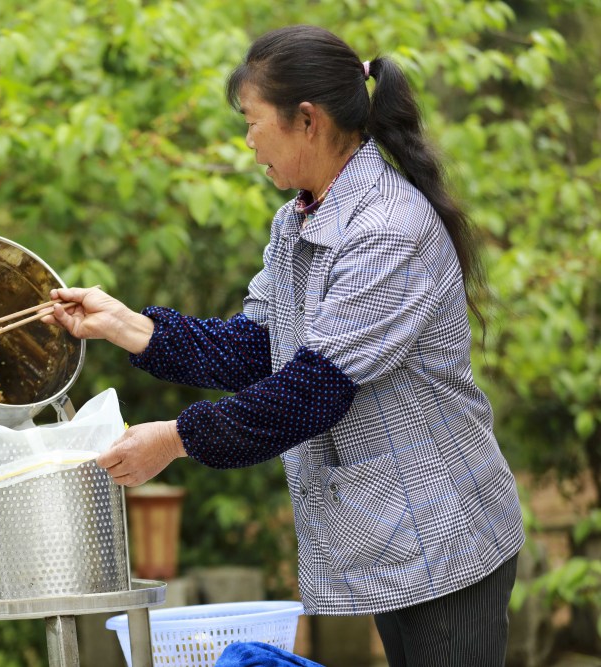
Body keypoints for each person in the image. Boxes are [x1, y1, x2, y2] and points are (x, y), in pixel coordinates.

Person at [47, 25, 524, 667]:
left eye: (252, 121)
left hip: (447, 532)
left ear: (307, 120)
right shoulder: (300, 218)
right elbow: (259, 348)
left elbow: (311, 391)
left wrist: (175, 439)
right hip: (392, 535)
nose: (248, 142)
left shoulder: (388, 227)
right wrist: (129, 325)